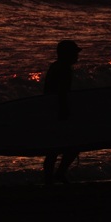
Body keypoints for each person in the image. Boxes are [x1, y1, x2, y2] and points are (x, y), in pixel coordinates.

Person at [42, 39, 81, 185]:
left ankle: (51, 178)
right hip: (57, 112)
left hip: (51, 111)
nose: (77, 56)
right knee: (70, 147)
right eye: (75, 53)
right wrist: (65, 112)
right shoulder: (64, 68)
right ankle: (55, 176)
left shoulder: (55, 66)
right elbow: (62, 92)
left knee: (53, 149)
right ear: (67, 54)